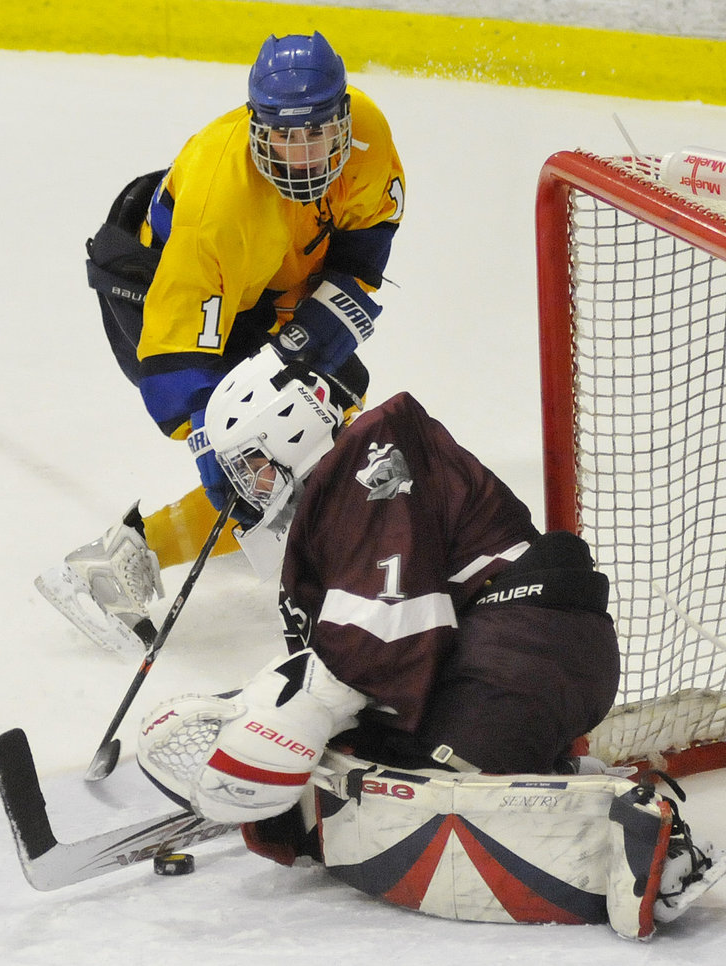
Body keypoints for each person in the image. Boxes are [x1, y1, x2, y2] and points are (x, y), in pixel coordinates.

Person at [135, 347, 726, 935]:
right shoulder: (336, 498)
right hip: (509, 657)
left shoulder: (371, 459)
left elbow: (387, 628)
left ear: (292, 429)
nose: (248, 489)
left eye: (252, 466)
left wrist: (294, 717)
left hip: (526, 648)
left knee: (421, 793)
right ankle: (563, 774)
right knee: (366, 769)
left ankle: (651, 843)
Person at [35, 31, 405, 651]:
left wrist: (308, 342)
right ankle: (107, 568)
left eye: (316, 133)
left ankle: (282, 517)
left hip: (265, 288)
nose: (303, 155)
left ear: (343, 117)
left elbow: (361, 254)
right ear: (259, 126)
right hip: (158, 296)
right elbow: (174, 359)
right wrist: (220, 449)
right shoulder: (220, 204)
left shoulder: (369, 134)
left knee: (332, 407)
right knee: (263, 454)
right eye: (286, 136)